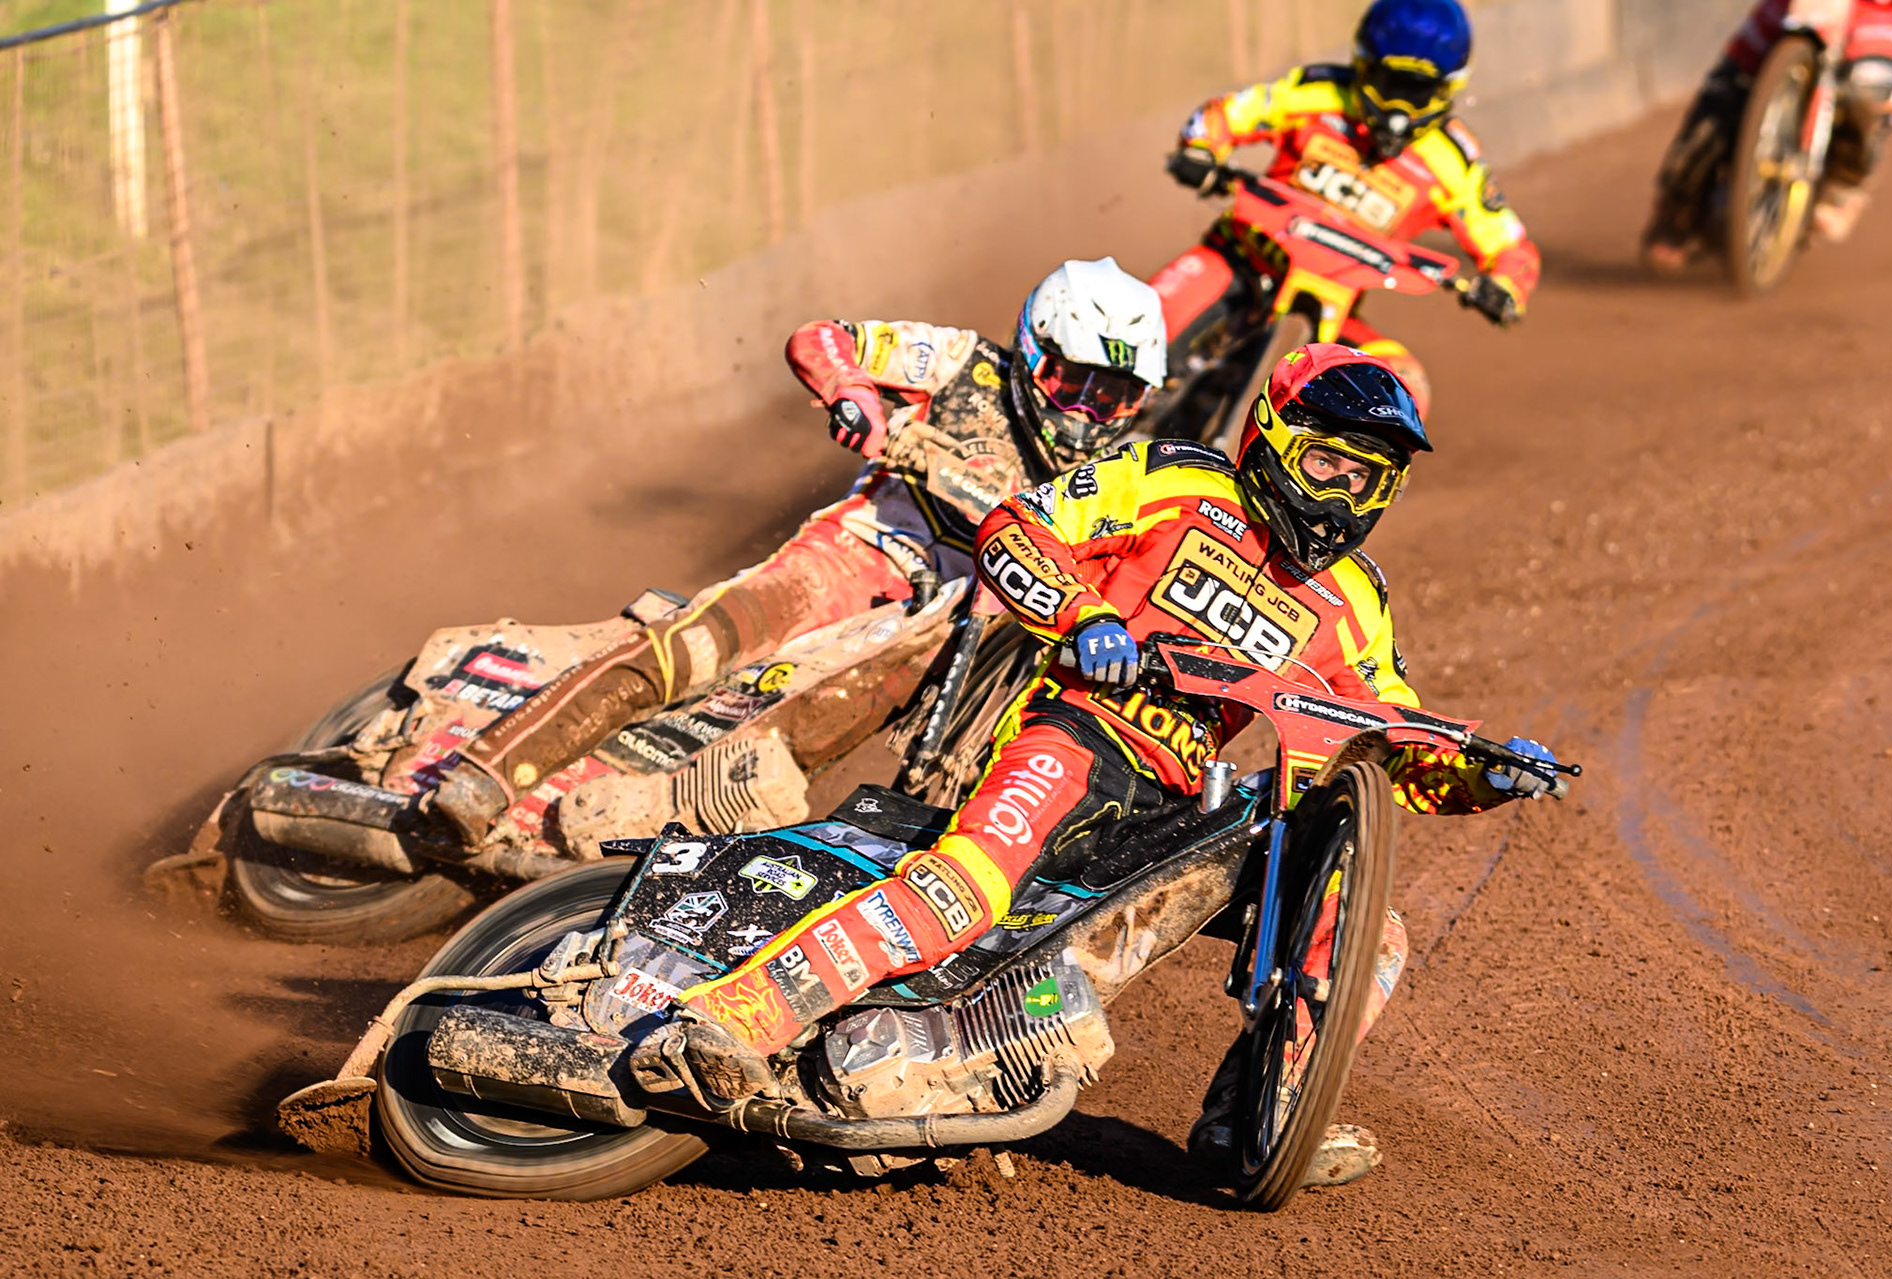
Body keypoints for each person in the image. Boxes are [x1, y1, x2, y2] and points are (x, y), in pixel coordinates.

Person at [661, 343, 1562, 1184]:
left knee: (1372, 933)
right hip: (1081, 732)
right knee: (967, 887)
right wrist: (1086, 616)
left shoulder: (1354, 601)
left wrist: (1486, 772)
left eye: (1366, 477)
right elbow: (1021, 528)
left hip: (1186, 801)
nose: (1341, 493)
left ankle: (1260, 1117)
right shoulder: (1173, 478)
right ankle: (732, 1015)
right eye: (1328, 462)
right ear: (1276, 438)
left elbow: (1388, 738)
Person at [431, 258, 1169, 846]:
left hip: (935, 631)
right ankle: (487, 773)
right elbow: (822, 338)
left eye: (1113, 396)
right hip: (857, 553)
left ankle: (628, 832)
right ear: (1035, 350)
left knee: (792, 750)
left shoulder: (1109, 476)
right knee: (696, 647)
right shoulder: (960, 362)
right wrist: (854, 394)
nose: (1086, 413)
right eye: (1074, 382)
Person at [1153, 0, 1539, 416]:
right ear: (1363, 67)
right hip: (1239, 261)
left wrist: (1504, 287)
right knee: (1138, 324)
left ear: (1448, 89)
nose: (1399, 108)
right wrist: (1200, 150)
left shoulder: (1451, 162)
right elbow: (1227, 115)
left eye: (1417, 92)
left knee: (1403, 388)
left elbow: (1509, 245)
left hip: (1332, 306)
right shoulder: (1318, 94)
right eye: (1390, 83)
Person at [1644, 0, 1892, 267]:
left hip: (1875, 11)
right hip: (1793, 5)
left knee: (1869, 92)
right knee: (1726, 87)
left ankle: (1841, 185)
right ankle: (1678, 207)